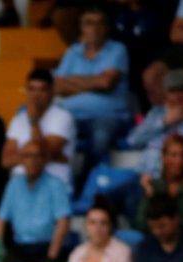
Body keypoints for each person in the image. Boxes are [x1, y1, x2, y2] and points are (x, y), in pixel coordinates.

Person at [54, 6, 131, 171]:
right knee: (53, 136)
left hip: (106, 116)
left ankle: (91, 185)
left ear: (106, 28)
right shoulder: (72, 52)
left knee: (100, 139)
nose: (94, 28)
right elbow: (58, 86)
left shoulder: (117, 50)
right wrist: (94, 82)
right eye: (89, 23)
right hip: (70, 115)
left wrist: (73, 82)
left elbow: (106, 84)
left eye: (99, 23)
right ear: (82, 28)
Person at [0, 141, 71, 262]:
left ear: (45, 159)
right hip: (19, 247)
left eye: (37, 156)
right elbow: (0, 220)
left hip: (45, 247)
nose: (32, 160)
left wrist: (51, 257)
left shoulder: (56, 184)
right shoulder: (14, 184)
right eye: (27, 156)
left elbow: (63, 222)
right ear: (21, 159)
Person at [126, 70, 183, 179]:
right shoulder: (156, 113)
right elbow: (132, 140)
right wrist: (164, 122)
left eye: (181, 90)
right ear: (166, 94)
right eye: (172, 91)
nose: (177, 96)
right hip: (148, 172)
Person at [2, 68, 76, 188]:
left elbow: (43, 153)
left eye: (42, 90)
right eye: (32, 89)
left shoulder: (63, 117)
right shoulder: (18, 119)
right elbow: (6, 161)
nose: (36, 95)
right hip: (20, 183)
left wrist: (34, 120)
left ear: (52, 91)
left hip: (54, 184)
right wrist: (35, 156)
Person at [136, 134, 183, 232]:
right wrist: (150, 195)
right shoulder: (154, 185)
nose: (179, 161)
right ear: (163, 157)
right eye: (174, 155)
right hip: (155, 238)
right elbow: (140, 223)